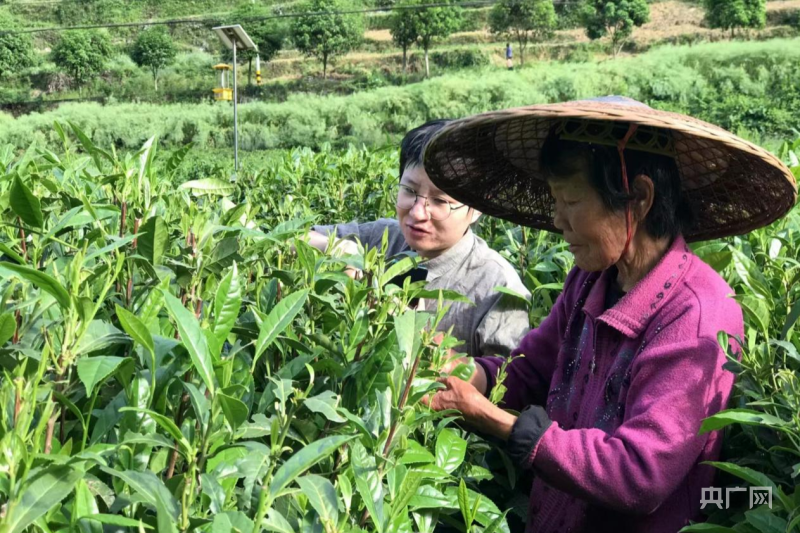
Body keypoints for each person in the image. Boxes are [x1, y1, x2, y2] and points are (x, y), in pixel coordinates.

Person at [421, 96, 797, 532]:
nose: (557, 220)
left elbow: (640, 473)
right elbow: (531, 370)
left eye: (571, 200)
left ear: (638, 197)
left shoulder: (698, 315)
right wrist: (470, 374)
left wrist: (498, 422)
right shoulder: (590, 279)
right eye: (555, 200)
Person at [307, 119, 531, 358]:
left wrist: (413, 331)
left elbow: (505, 377)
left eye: (440, 200)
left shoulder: (498, 287)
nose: (417, 213)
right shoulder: (382, 237)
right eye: (409, 191)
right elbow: (290, 240)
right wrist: (337, 248)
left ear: (477, 207)